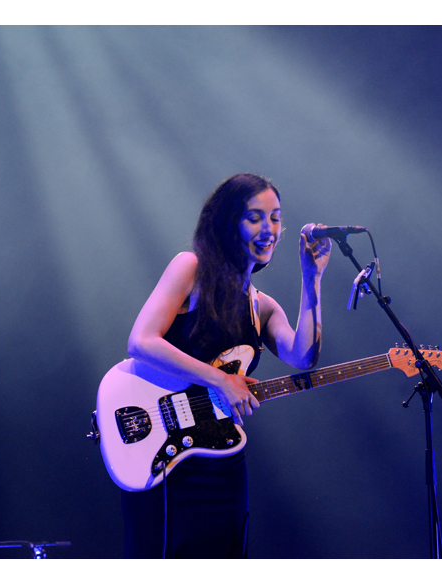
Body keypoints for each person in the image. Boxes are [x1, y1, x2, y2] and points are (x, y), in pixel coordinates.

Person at [122, 173, 332, 558]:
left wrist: (312, 278)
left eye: (275, 218)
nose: (268, 228)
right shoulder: (191, 268)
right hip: (166, 456)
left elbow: (303, 358)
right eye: (255, 217)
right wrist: (221, 379)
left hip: (222, 461)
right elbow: (141, 340)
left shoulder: (262, 306)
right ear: (227, 221)